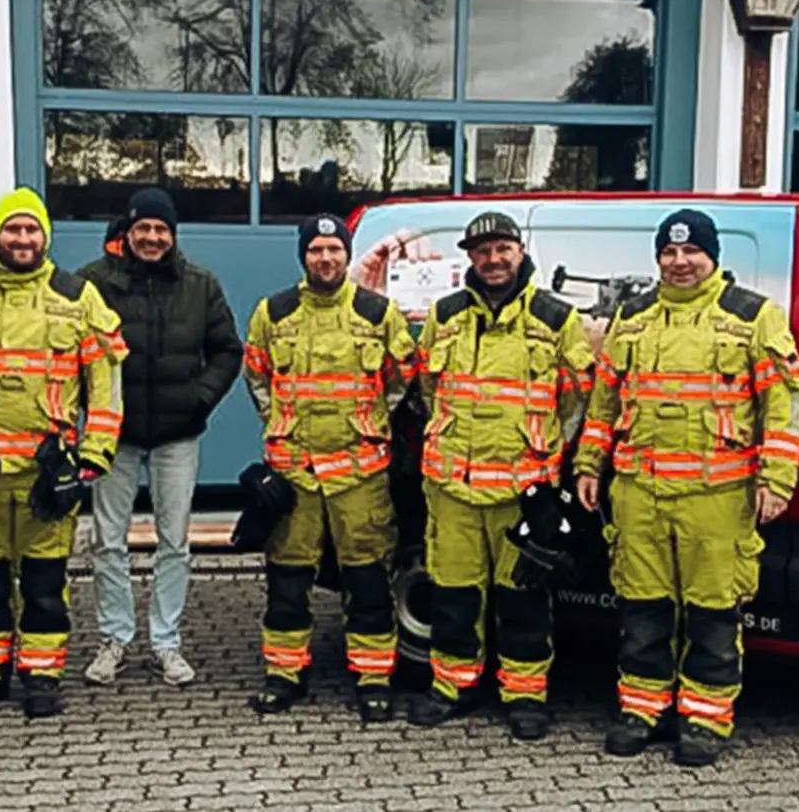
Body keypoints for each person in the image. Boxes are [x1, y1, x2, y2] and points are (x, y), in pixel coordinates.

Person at [575, 209, 799, 767]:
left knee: (711, 613)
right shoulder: (631, 319)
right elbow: (604, 401)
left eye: (691, 252)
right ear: (658, 257)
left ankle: (704, 720)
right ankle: (642, 711)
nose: (680, 263)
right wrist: (590, 463)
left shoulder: (754, 317)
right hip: (638, 492)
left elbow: (784, 404)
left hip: (718, 496)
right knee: (643, 607)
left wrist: (776, 478)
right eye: (669, 253)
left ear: (713, 256)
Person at [0, 187, 128, 718]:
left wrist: (95, 453)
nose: (22, 238)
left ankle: (41, 675)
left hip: (48, 472)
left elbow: (104, 381)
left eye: (31, 229)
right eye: (12, 229)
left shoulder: (77, 295)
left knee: (45, 585)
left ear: (46, 236)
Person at [405, 212, 595, 741]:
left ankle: (525, 695)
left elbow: (577, 400)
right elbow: (426, 388)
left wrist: (548, 469)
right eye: (482, 250)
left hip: (521, 490)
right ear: (470, 257)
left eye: (502, 248)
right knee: (453, 594)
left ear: (519, 250)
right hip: (452, 488)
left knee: (523, 599)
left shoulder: (556, 318)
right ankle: (452, 686)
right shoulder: (444, 315)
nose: (492, 259)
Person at [240, 213, 415, 721]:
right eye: (316, 250)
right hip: (294, 472)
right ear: (304, 256)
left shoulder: (378, 312)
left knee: (367, 582)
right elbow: (257, 378)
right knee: (287, 581)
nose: (325, 258)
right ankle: (285, 675)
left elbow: (402, 380)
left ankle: (373, 678)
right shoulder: (272, 312)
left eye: (334, 249)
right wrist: (280, 429)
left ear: (346, 254)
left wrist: (370, 424)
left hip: (360, 474)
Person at [77, 188, 242, 687]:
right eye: (143, 228)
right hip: (114, 436)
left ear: (173, 236)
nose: (152, 237)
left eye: (161, 229)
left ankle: (166, 643)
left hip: (177, 434)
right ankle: (115, 640)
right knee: (108, 540)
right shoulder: (91, 285)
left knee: (175, 541)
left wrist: (200, 397)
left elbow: (227, 351)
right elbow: (69, 352)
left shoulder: (200, 285)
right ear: (127, 233)